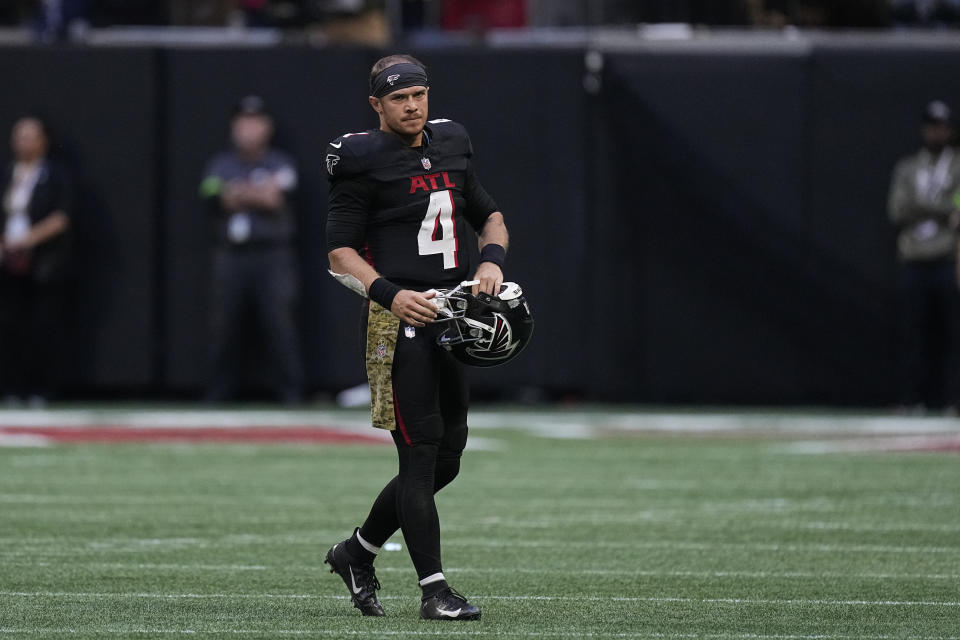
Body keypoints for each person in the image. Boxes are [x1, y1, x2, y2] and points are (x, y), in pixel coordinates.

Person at [323, 54, 510, 620]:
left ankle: (355, 553)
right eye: (399, 98)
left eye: (419, 94)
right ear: (377, 105)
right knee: (419, 455)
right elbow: (339, 253)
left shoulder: (452, 144)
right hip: (397, 317)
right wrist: (389, 293)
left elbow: (490, 216)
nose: (412, 105)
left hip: (449, 314)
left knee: (448, 456)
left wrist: (492, 262)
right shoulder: (358, 158)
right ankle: (434, 591)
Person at [199, 95, 303, 404]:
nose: (248, 129)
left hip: (272, 255)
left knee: (279, 323)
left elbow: (275, 198)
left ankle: (291, 393)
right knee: (224, 325)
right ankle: (217, 393)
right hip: (231, 255)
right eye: (242, 122)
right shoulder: (219, 163)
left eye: (255, 122)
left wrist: (238, 192)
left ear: (267, 128)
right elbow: (212, 192)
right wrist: (256, 192)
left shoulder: (281, 162)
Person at [887, 99, 960, 412]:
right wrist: (943, 210)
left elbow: (959, 208)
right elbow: (897, 210)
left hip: (947, 259)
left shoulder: (957, 166)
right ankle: (910, 399)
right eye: (931, 126)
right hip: (914, 259)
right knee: (913, 333)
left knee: (952, 332)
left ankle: (952, 399)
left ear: (949, 130)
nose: (936, 132)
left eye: (941, 127)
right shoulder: (908, 168)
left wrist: (925, 207)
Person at [0, 115, 72, 406]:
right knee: (10, 326)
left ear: (44, 140)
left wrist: (28, 239)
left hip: (42, 261)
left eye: (29, 136)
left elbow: (62, 216)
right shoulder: (7, 173)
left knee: (43, 325)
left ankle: (41, 389)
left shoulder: (55, 174)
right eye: (18, 135)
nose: (22, 142)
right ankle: (11, 388)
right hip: (7, 261)